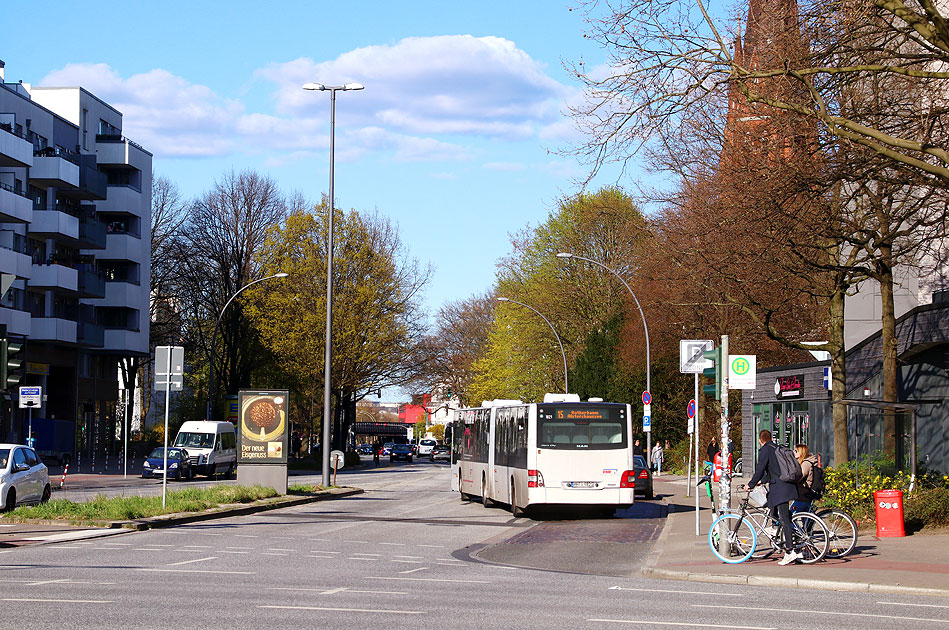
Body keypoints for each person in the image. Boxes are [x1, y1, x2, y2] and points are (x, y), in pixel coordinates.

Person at [745, 429, 801, 565]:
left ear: (760, 440)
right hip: (786, 486)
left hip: (780, 488)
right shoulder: (777, 448)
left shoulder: (765, 450)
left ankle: (789, 551)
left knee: (784, 518)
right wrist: (761, 481)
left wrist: (750, 484)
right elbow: (773, 471)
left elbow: (760, 469)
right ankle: (776, 528)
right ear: (770, 438)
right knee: (773, 505)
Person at [791, 443, 819, 514]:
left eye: (796, 451)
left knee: (789, 517)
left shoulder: (806, 463)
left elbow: (800, 476)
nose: (794, 453)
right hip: (805, 494)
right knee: (806, 519)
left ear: (801, 452)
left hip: (803, 495)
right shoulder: (806, 462)